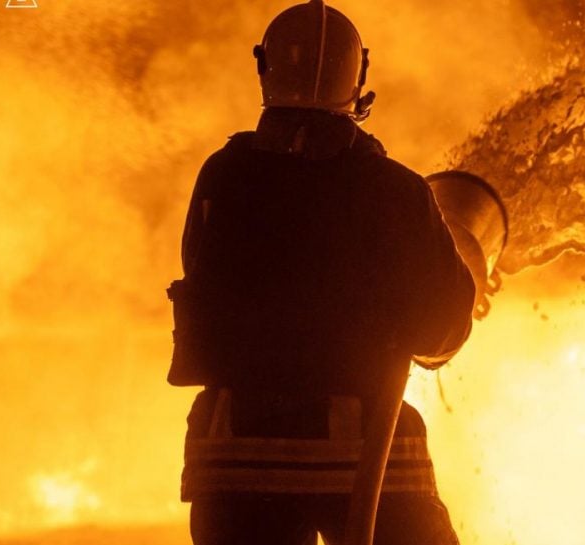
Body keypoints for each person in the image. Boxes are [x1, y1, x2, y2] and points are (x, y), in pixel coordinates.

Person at [166, 2, 477, 543]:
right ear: (358, 78)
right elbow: (440, 332)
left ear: (264, 68)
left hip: (232, 459)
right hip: (367, 457)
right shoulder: (395, 191)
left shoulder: (222, 177)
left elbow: (200, 272)